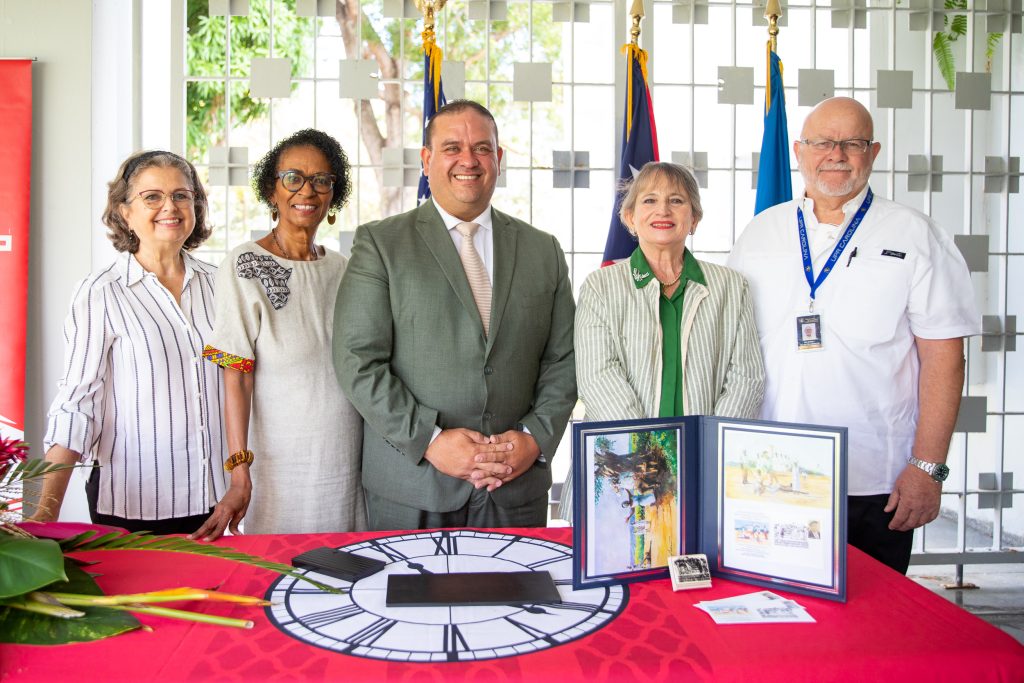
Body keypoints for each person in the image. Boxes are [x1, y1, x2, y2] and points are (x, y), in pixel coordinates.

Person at [728, 97, 981, 574]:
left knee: (870, 630)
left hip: (873, 481)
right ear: (800, 151)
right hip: (768, 474)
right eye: (823, 142)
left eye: (853, 143)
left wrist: (928, 469)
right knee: (775, 620)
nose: (837, 154)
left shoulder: (915, 235)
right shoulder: (759, 234)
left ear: (874, 152)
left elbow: (945, 359)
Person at [333, 100, 577, 530]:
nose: (469, 160)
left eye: (482, 148)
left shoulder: (544, 251)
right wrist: (429, 442)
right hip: (413, 487)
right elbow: (358, 362)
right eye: (452, 148)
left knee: (519, 599)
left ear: (499, 160)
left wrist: (534, 438)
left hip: (514, 488)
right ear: (426, 160)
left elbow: (565, 359)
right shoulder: (381, 244)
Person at [559, 162, 765, 521]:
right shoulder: (601, 286)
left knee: (699, 570)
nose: (663, 210)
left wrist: (708, 448)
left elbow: (747, 378)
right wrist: (652, 460)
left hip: (703, 463)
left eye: (677, 201)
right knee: (616, 568)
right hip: (621, 466)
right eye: (649, 200)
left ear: (695, 218)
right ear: (629, 217)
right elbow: (598, 377)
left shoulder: (732, 287)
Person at [34, 151, 228, 534]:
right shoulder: (101, 293)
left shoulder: (223, 286)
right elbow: (77, 405)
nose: (169, 207)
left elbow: (240, 378)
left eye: (181, 195)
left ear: (196, 205)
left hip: (219, 502)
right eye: (152, 196)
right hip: (134, 505)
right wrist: (43, 515)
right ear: (125, 211)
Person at [193, 129, 365, 539]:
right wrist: (239, 475)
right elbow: (236, 375)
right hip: (281, 468)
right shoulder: (245, 265)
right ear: (272, 190)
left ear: (333, 194)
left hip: (346, 461)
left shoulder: (342, 269)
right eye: (293, 177)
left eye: (322, 179)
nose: (308, 190)